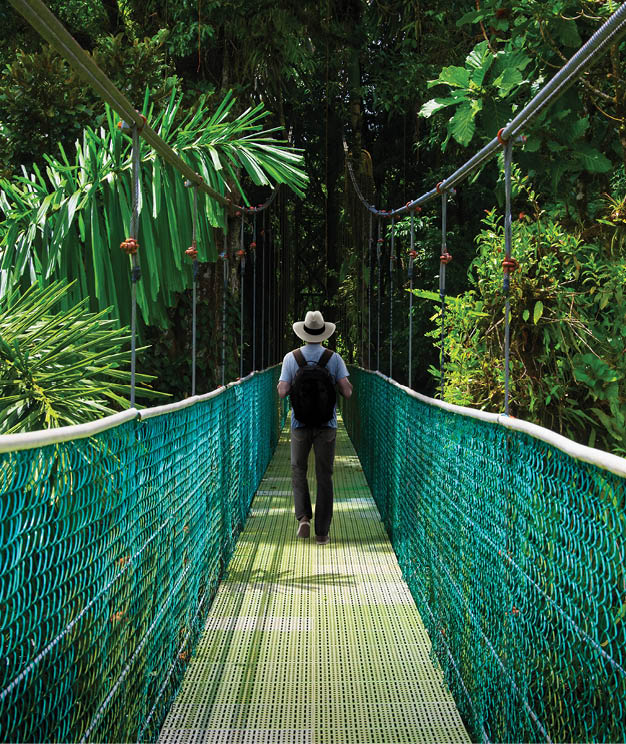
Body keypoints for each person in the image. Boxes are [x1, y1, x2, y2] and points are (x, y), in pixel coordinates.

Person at [277, 310, 353, 545]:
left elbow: (281, 391)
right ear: (323, 333)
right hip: (326, 426)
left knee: (298, 470)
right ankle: (322, 533)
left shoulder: (292, 358)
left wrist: (292, 387)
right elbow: (347, 392)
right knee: (324, 476)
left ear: (303, 333)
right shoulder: (334, 358)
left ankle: (303, 519)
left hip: (300, 424)